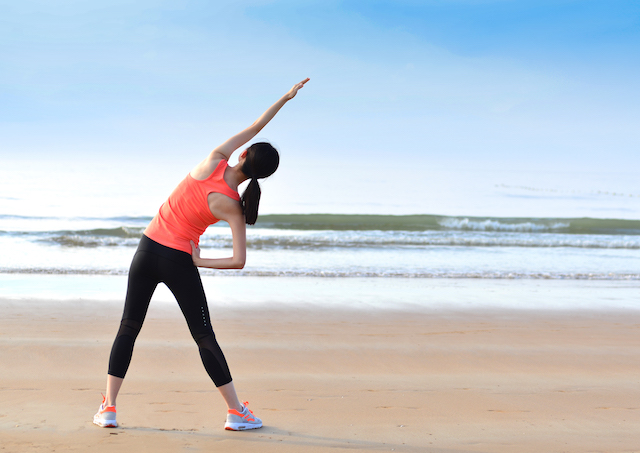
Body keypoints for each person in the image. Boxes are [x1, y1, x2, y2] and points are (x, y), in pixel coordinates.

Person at [93, 78, 310, 431]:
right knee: (203, 336)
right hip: (179, 259)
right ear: (262, 178)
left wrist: (285, 98)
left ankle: (109, 408)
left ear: (243, 155)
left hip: (147, 249)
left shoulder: (214, 159)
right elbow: (239, 260)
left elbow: (255, 126)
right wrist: (199, 261)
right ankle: (236, 412)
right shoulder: (234, 208)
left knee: (128, 328)